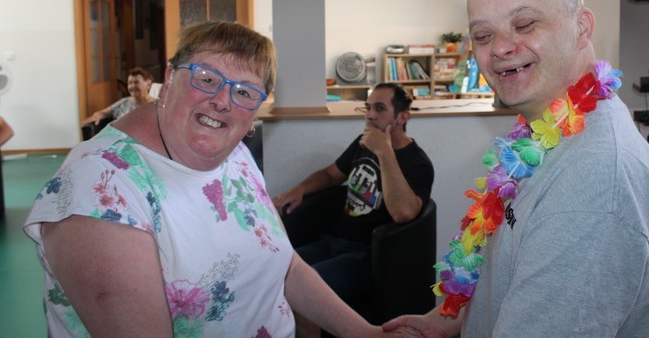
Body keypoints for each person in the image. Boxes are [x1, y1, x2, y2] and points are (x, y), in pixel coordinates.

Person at [24, 21, 396, 338]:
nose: (222, 101)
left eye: (245, 91)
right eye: (206, 78)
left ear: (255, 112)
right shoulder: (99, 188)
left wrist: (367, 333)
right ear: (169, 78)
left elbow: (286, 266)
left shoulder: (234, 155)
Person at [384, 0, 649, 337]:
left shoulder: (595, 182)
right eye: (483, 35)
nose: (500, 48)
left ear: (582, 27)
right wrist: (445, 321)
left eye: (524, 24)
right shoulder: (545, 131)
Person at [273, 82, 434, 336]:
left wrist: (384, 151)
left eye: (380, 108)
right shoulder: (362, 144)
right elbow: (331, 175)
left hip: (367, 255)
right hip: (333, 241)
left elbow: (403, 213)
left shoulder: (418, 163)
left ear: (402, 117)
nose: (370, 115)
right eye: (368, 108)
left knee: (303, 290)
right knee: (273, 267)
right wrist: (299, 189)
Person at [82, 67, 156, 126]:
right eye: (130, 83)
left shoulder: (156, 105)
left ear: (148, 84)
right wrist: (96, 116)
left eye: (136, 82)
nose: (132, 86)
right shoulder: (124, 102)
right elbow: (103, 112)